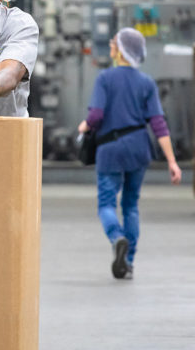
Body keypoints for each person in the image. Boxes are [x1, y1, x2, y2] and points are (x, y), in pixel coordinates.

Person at [77, 27, 182, 280]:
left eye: (114, 43)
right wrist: (172, 161)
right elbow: (158, 123)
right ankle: (130, 262)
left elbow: (96, 115)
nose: (111, 46)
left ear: (120, 50)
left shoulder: (105, 78)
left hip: (110, 149)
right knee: (131, 205)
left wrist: (84, 126)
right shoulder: (146, 83)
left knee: (106, 203)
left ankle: (117, 237)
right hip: (138, 147)